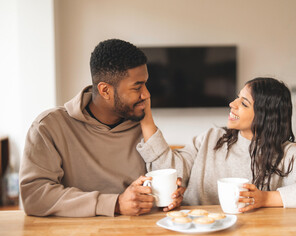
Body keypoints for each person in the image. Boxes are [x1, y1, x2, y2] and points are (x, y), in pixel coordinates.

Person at [19, 39, 184, 217]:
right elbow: (34, 196)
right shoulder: (49, 127)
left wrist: (170, 195)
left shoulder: (141, 126)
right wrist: (115, 204)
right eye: (137, 87)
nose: (147, 94)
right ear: (105, 90)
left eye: (145, 84)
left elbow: (161, 179)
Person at [137, 77, 296, 212]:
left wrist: (265, 199)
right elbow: (169, 170)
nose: (232, 104)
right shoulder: (211, 138)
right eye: (237, 98)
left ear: (265, 116)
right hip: (195, 230)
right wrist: (146, 119)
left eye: (243, 103)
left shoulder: (286, 154)